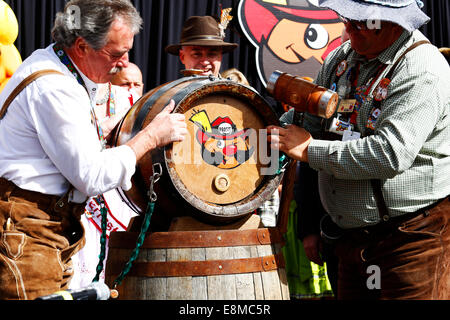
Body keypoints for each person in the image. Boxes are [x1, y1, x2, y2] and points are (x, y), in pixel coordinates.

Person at [0, 0, 187, 300]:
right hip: (26, 232)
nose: (125, 62)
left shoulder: (53, 64)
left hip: (41, 229)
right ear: (82, 46)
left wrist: (103, 134)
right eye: (116, 54)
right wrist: (149, 137)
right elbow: (91, 176)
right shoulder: (54, 87)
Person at [268, 0, 450, 300]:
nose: (349, 28)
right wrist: (266, 124)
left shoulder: (422, 67)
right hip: (353, 242)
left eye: (362, 22)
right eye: (348, 18)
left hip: (413, 241)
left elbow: (389, 154)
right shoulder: (342, 58)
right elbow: (312, 119)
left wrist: (309, 149)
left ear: (394, 23)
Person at [69, 80, 140, 289]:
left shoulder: (129, 101)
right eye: (128, 82)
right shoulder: (69, 92)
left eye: (137, 83)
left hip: (117, 196)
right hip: (82, 198)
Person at [165, 15, 237, 77]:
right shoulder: (170, 92)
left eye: (212, 54)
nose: (205, 62)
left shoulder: (234, 92)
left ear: (220, 57)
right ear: (182, 57)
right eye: (197, 54)